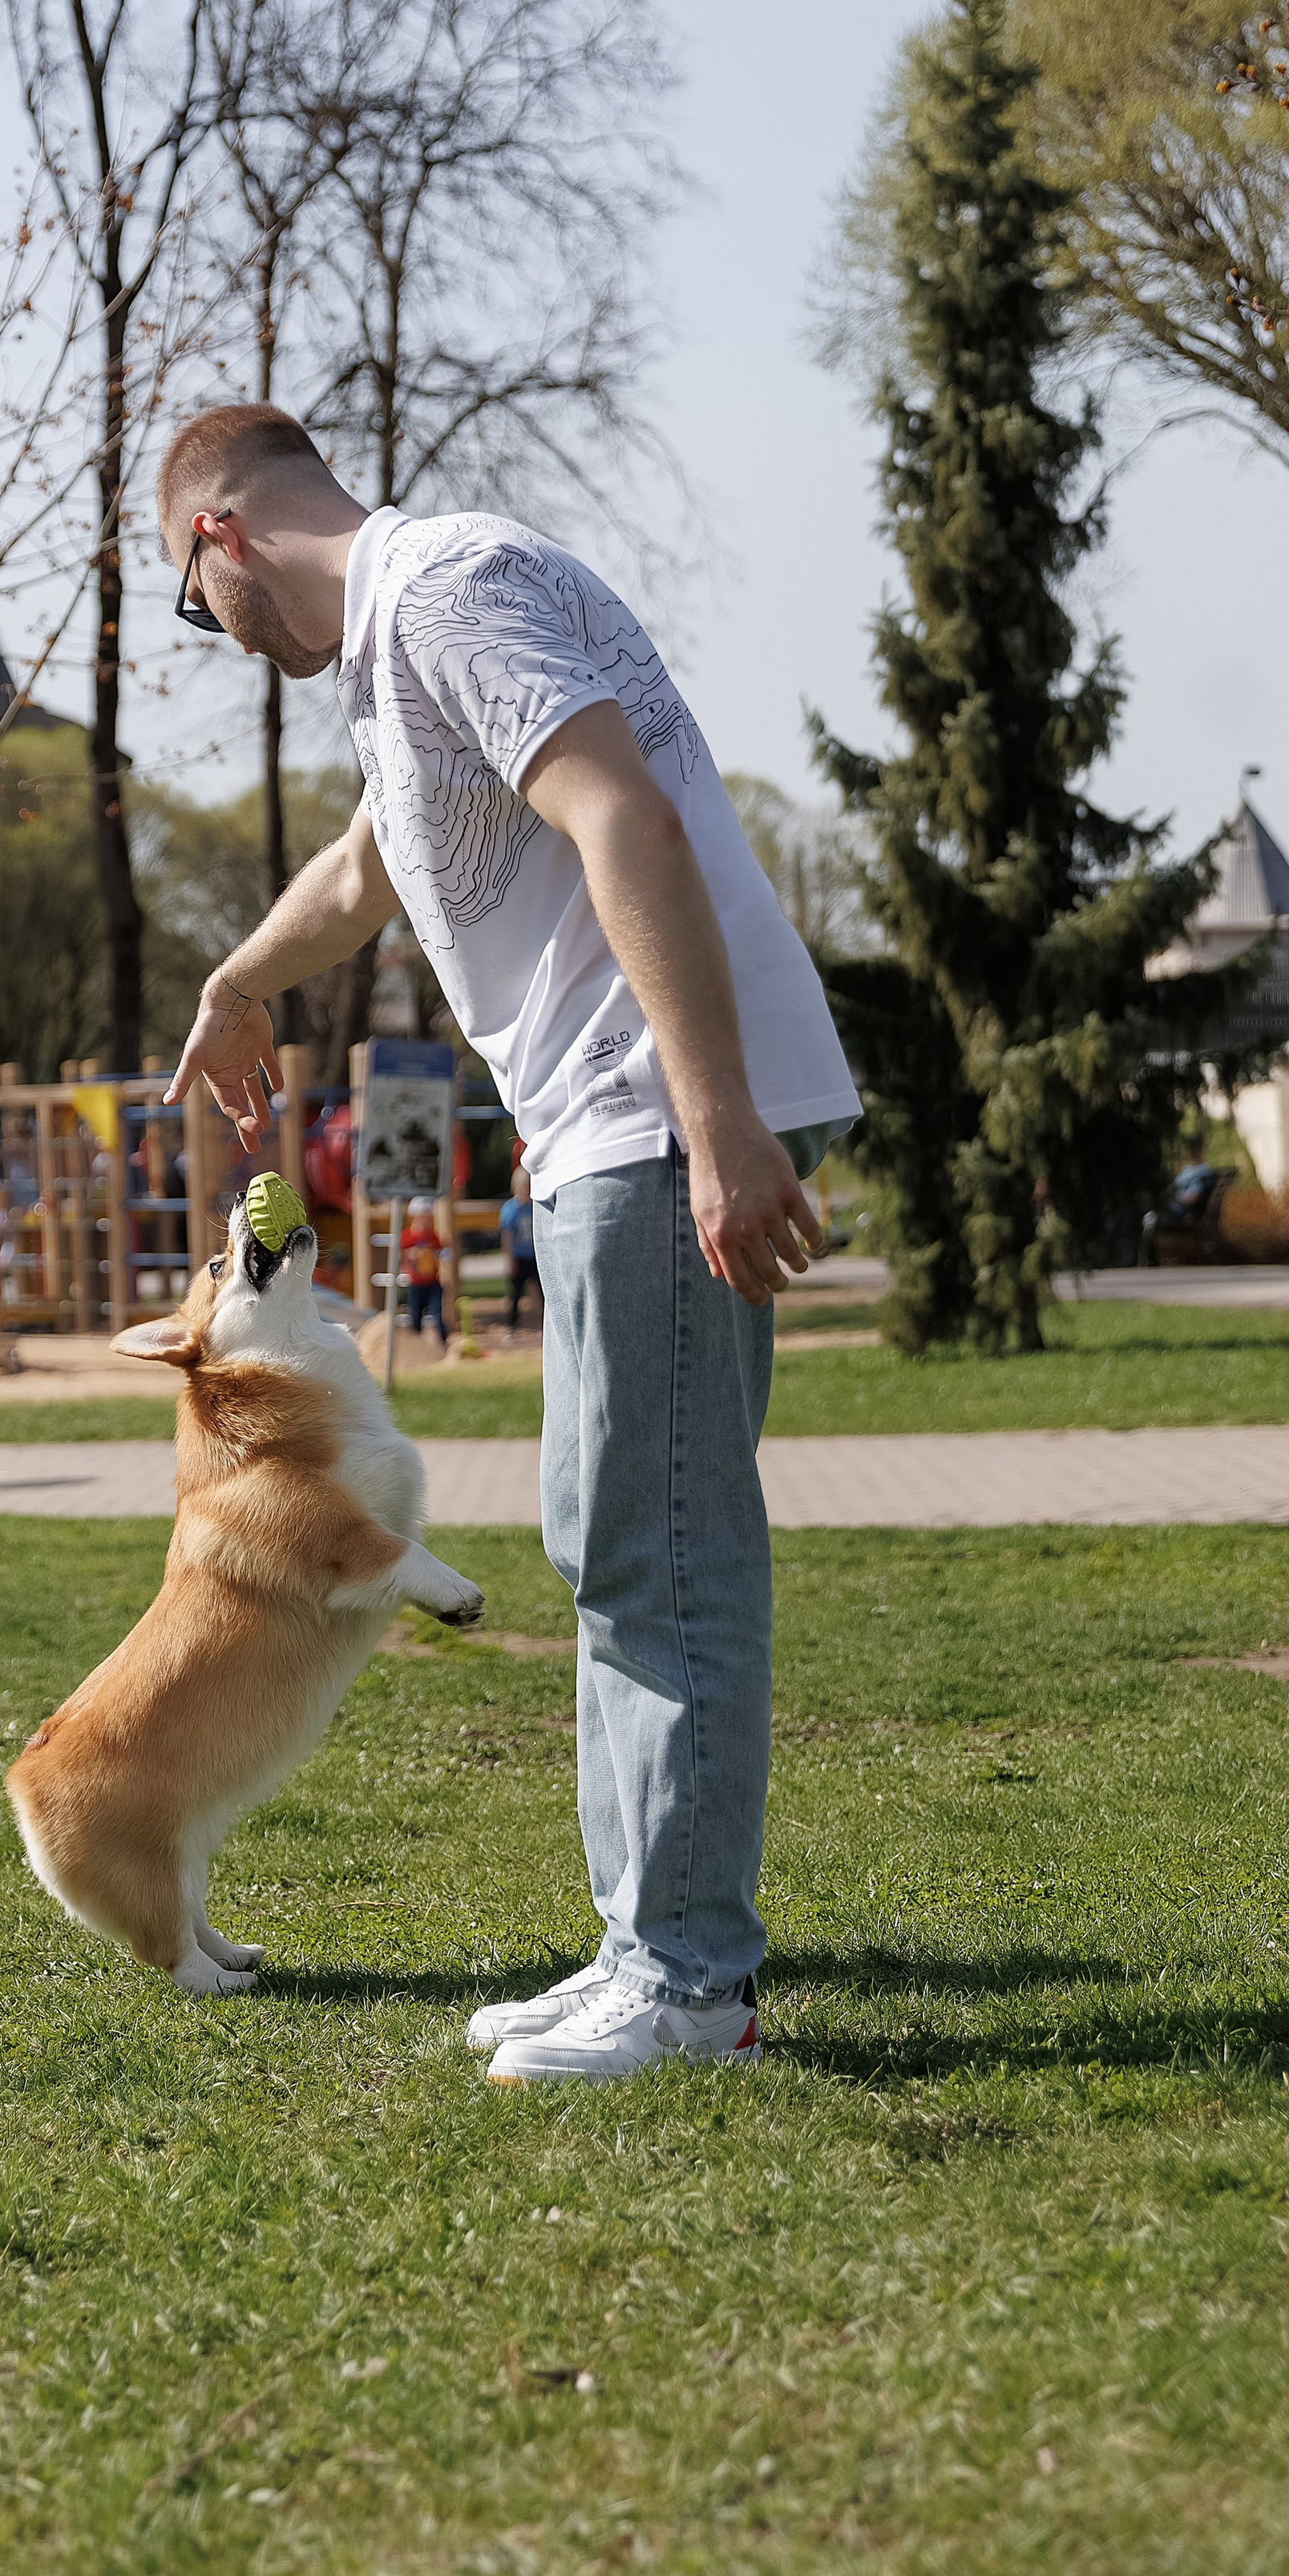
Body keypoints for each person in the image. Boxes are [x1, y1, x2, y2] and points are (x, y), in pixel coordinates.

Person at [159, 402, 859, 2085]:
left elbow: (621, 818)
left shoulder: (448, 586)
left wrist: (712, 1122)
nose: (216, 636)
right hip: (617, 1115)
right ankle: (645, 1951)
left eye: (193, 603)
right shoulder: (403, 643)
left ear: (217, 535)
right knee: (609, 1533)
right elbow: (365, 868)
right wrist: (241, 983)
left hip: (653, 1105)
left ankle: (687, 1986)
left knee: (656, 1545)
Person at [499, 1162, 539, 1334]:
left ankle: (544, 1323)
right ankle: (512, 1325)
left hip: (535, 1256)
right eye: (523, 1187)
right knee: (515, 1293)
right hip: (519, 1256)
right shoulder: (510, 1209)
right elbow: (507, 1237)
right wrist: (509, 1260)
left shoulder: (535, 1205)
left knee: (543, 1291)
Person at [399, 1195, 446, 1343]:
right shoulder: (407, 1235)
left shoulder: (432, 1235)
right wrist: (411, 1254)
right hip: (415, 1282)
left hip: (432, 1281)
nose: (427, 1220)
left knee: (438, 1312)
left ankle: (444, 1341)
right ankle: (416, 1343)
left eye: (428, 1216)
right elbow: (400, 1255)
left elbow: (440, 1251)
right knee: (415, 1315)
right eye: (423, 1216)